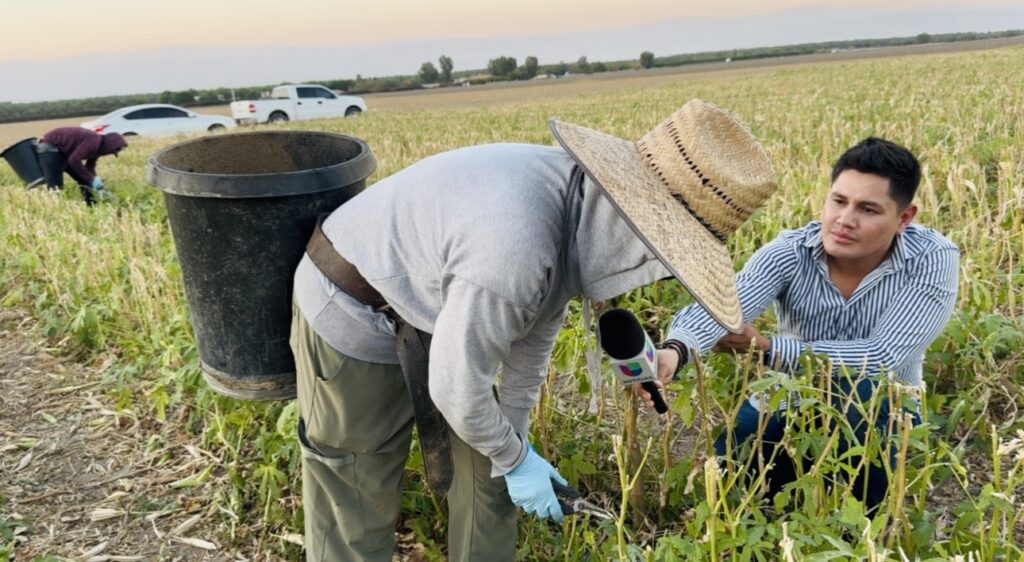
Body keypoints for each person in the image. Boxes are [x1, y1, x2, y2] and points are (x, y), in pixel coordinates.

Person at [289, 99, 777, 561]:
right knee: (359, 486)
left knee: (490, 476)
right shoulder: (514, 248)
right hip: (353, 297)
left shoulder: (579, 210)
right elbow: (457, 389)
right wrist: (516, 459)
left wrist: (514, 445)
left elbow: (535, 331)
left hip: (442, 295)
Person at [642, 137, 959, 512]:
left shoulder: (931, 258)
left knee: (863, 419)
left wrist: (769, 349)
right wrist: (676, 350)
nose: (845, 219)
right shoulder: (791, 251)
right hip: (788, 395)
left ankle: (865, 519)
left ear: (904, 218)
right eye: (839, 201)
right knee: (728, 474)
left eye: (868, 209)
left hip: (883, 407)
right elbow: (724, 306)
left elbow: (881, 358)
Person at [37, 127, 127, 204]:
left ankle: (91, 205)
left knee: (85, 179)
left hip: (64, 152)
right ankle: (56, 208)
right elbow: (74, 160)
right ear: (109, 145)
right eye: (112, 151)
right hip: (49, 148)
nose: (110, 153)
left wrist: (97, 184)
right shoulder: (93, 140)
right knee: (56, 187)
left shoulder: (98, 148)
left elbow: (89, 167)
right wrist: (92, 179)